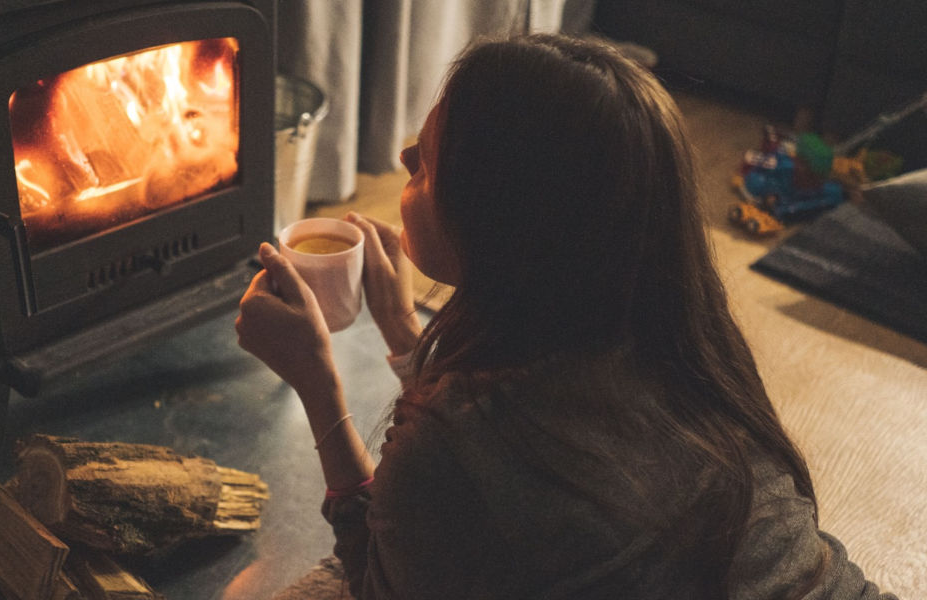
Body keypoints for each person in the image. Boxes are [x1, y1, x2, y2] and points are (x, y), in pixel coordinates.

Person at [235, 34, 897, 599]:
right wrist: (410, 340)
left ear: (506, 226)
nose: (405, 158)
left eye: (433, 162)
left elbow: (378, 580)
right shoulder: (692, 349)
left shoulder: (449, 455)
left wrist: (320, 387)